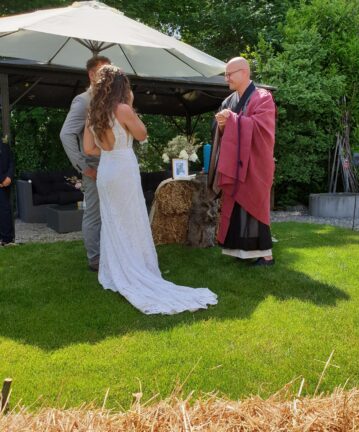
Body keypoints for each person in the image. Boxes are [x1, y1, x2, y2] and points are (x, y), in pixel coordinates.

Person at [83, 65, 217, 315]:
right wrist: (130, 104)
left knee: (113, 222)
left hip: (106, 171)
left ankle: (117, 269)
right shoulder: (122, 109)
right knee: (132, 220)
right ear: (122, 88)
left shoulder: (93, 113)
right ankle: (136, 269)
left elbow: (89, 149)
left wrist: (110, 153)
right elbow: (142, 134)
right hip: (123, 169)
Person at [208, 57, 276, 266]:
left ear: (244, 72)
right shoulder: (228, 101)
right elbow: (221, 132)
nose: (226, 78)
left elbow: (262, 129)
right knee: (236, 206)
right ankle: (242, 251)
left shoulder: (262, 97)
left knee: (254, 204)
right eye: (225, 74)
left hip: (254, 162)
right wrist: (221, 125)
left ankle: (266, 256)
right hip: (235, 163)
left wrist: (234, 120)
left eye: (230, 74)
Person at [60, 55, 111, 272]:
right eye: (103, 70)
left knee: (112, 211)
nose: (108, 74)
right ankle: (95, 259)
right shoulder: (83, 101)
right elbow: (66, 134)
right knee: (94, 213)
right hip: (94, 165)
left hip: (112, 163)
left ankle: (111, 253)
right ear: (91, 74)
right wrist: (84, 167)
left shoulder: (111, 99)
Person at [0, 140, 15, 246]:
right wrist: (1, 180)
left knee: (6, 210)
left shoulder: (5, 146)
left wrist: (9, 177)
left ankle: (7, 239)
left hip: (5, 184)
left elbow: (11, 162)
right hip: (1, 183)